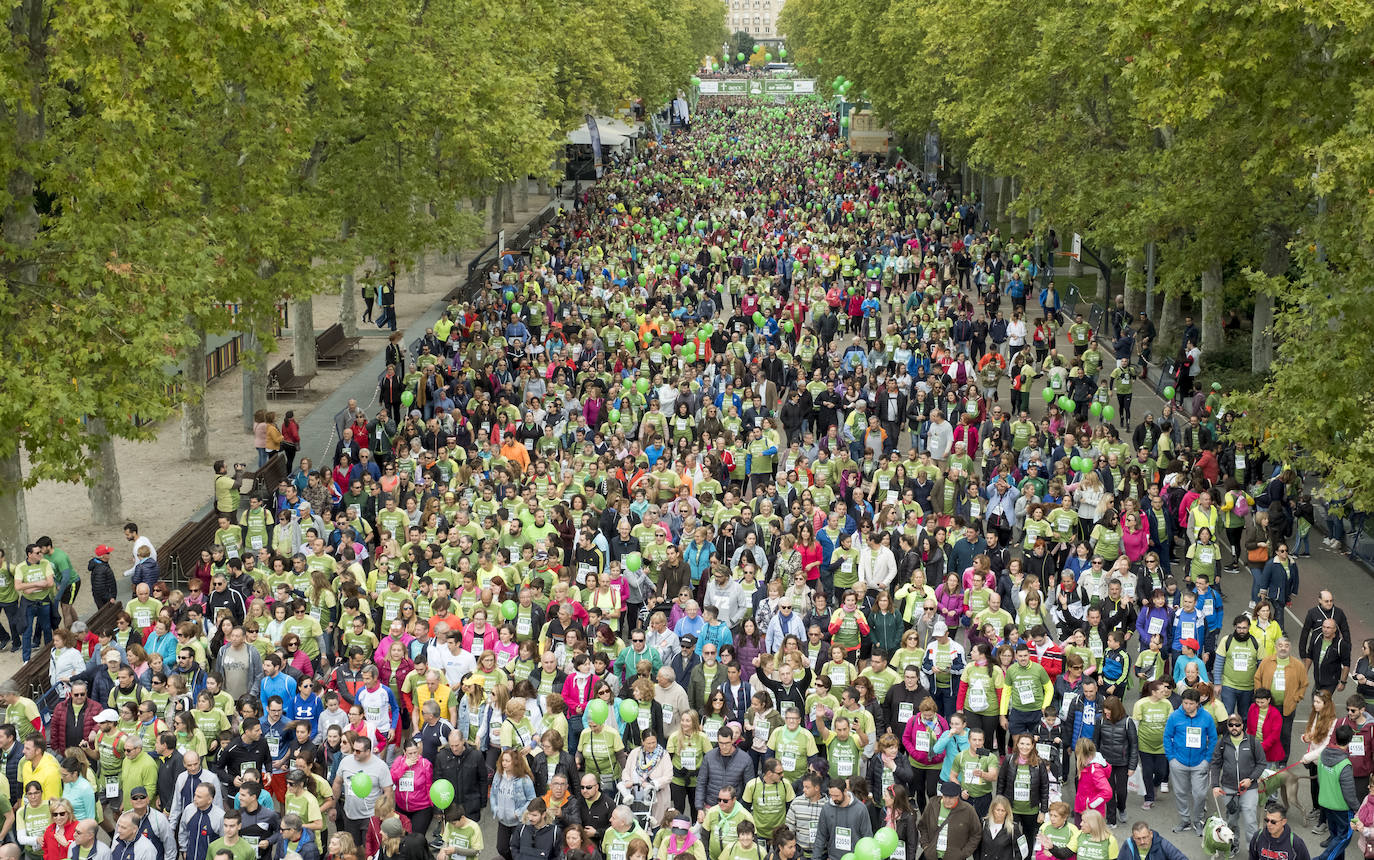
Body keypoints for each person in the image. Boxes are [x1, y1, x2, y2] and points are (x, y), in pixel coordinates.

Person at [1163, 688, 1217, 837]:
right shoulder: (1175, 716)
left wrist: (1207, 759)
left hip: (1200, 762)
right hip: (1178, 762)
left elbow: (1213, 738)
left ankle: (1198, 820)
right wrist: (1171, 758)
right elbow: (1167, 736)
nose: (1187, 706)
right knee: (1180, 792)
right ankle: (1185, 820)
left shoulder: (1206, 717)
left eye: (1191, 703)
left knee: (1199, 794)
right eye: (1185, 703)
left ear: (1197, 703)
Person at [1211, 713, 1265, 851]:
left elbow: (1261, 763)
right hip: (1229, 788)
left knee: (1250, 820)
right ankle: (1233, 845)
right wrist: (1215, 786)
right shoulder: (1222, 742)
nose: (1234, 727)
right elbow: (1216, 764)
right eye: (1230, 725)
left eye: (1237, 724)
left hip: (1249, 788)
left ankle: (1252, 849)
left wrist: (1250, 779)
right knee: (1231, 820)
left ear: (1242, 725)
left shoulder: (1253, 742)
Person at [1316, 724, 1360, 860]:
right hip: (1341, 808)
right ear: (1350, 741)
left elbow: (1320, 778)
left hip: (1325, 803)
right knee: (1342, 839)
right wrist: (1357, 808)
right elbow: (1349, 793)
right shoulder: (1344, 763)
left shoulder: (1323, 754)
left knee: (1335, 838)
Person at [917, 780, 981, 860]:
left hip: (955, 857)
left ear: (957, 796)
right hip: (931, 855)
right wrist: (926, 845)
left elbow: (976, 834)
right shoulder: (933, 804)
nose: (947, 800)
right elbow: (923, 825)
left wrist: (964, 853)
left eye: (951, 797)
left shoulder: (968, 810)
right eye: (945, 796)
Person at [1121, 822, 1192, 860]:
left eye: (1145, 837)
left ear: (1151, 834)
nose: (1142, 842)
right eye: (1138, 839)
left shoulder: (1163, 844)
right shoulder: (1128, 844)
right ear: (1133, 837)